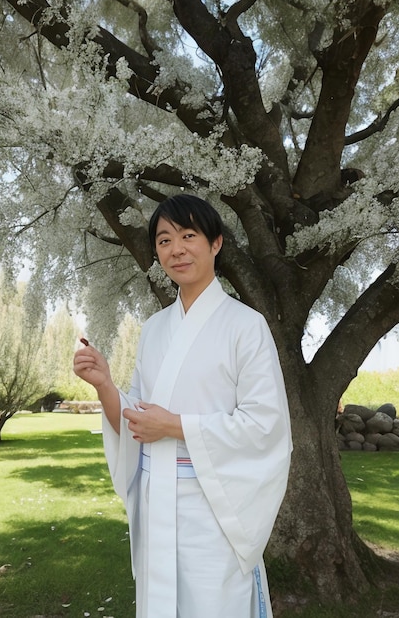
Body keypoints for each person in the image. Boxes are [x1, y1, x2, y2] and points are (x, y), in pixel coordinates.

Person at [73, 194, 292, 618]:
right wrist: (104, 385)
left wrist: (176, 426)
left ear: (216, 244)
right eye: (164, 239)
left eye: (188, 235)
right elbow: (137, 418)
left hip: (213, 508)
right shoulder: (155, 329)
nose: (176, 249)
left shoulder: (247, 326)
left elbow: (265, 425)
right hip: (157, 504)